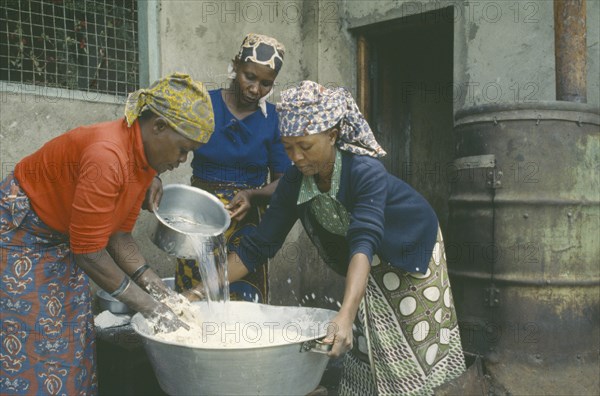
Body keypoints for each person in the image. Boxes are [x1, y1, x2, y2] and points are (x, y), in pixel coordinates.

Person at [187, 81, 466, 395]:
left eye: (305, 146)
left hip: (408, 247)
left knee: (408, 340)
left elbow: (363, 239)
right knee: (365, 342)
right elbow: (259, 246)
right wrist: (199, 291)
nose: (296, 157)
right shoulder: (295, 181)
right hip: (366, 260)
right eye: (288, 147)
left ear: (332, 135)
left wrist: (344, 315)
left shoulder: (364, 171)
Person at [0, 73, 214, 395]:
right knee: (35, 339)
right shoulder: (108, 156)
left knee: (71, 334)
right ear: (157, 127)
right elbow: (88, 251)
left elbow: (117, 237)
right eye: (183, 149)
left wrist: (155, 286)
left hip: (63, 237)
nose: (182, 160)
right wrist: (150, 306)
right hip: (23, 235)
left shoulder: (143, 162)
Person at [146, 33, 290, 302]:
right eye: (249, 76)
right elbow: (160, 139)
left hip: (246, 222)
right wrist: (152, 176)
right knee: (193, 299)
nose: (255, 89)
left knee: (243, 301)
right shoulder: (205, 105)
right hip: (199, 217)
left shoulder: (274, 121)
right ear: (235, 66)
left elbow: (285, 182)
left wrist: (253, 195)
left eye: (266, 83)